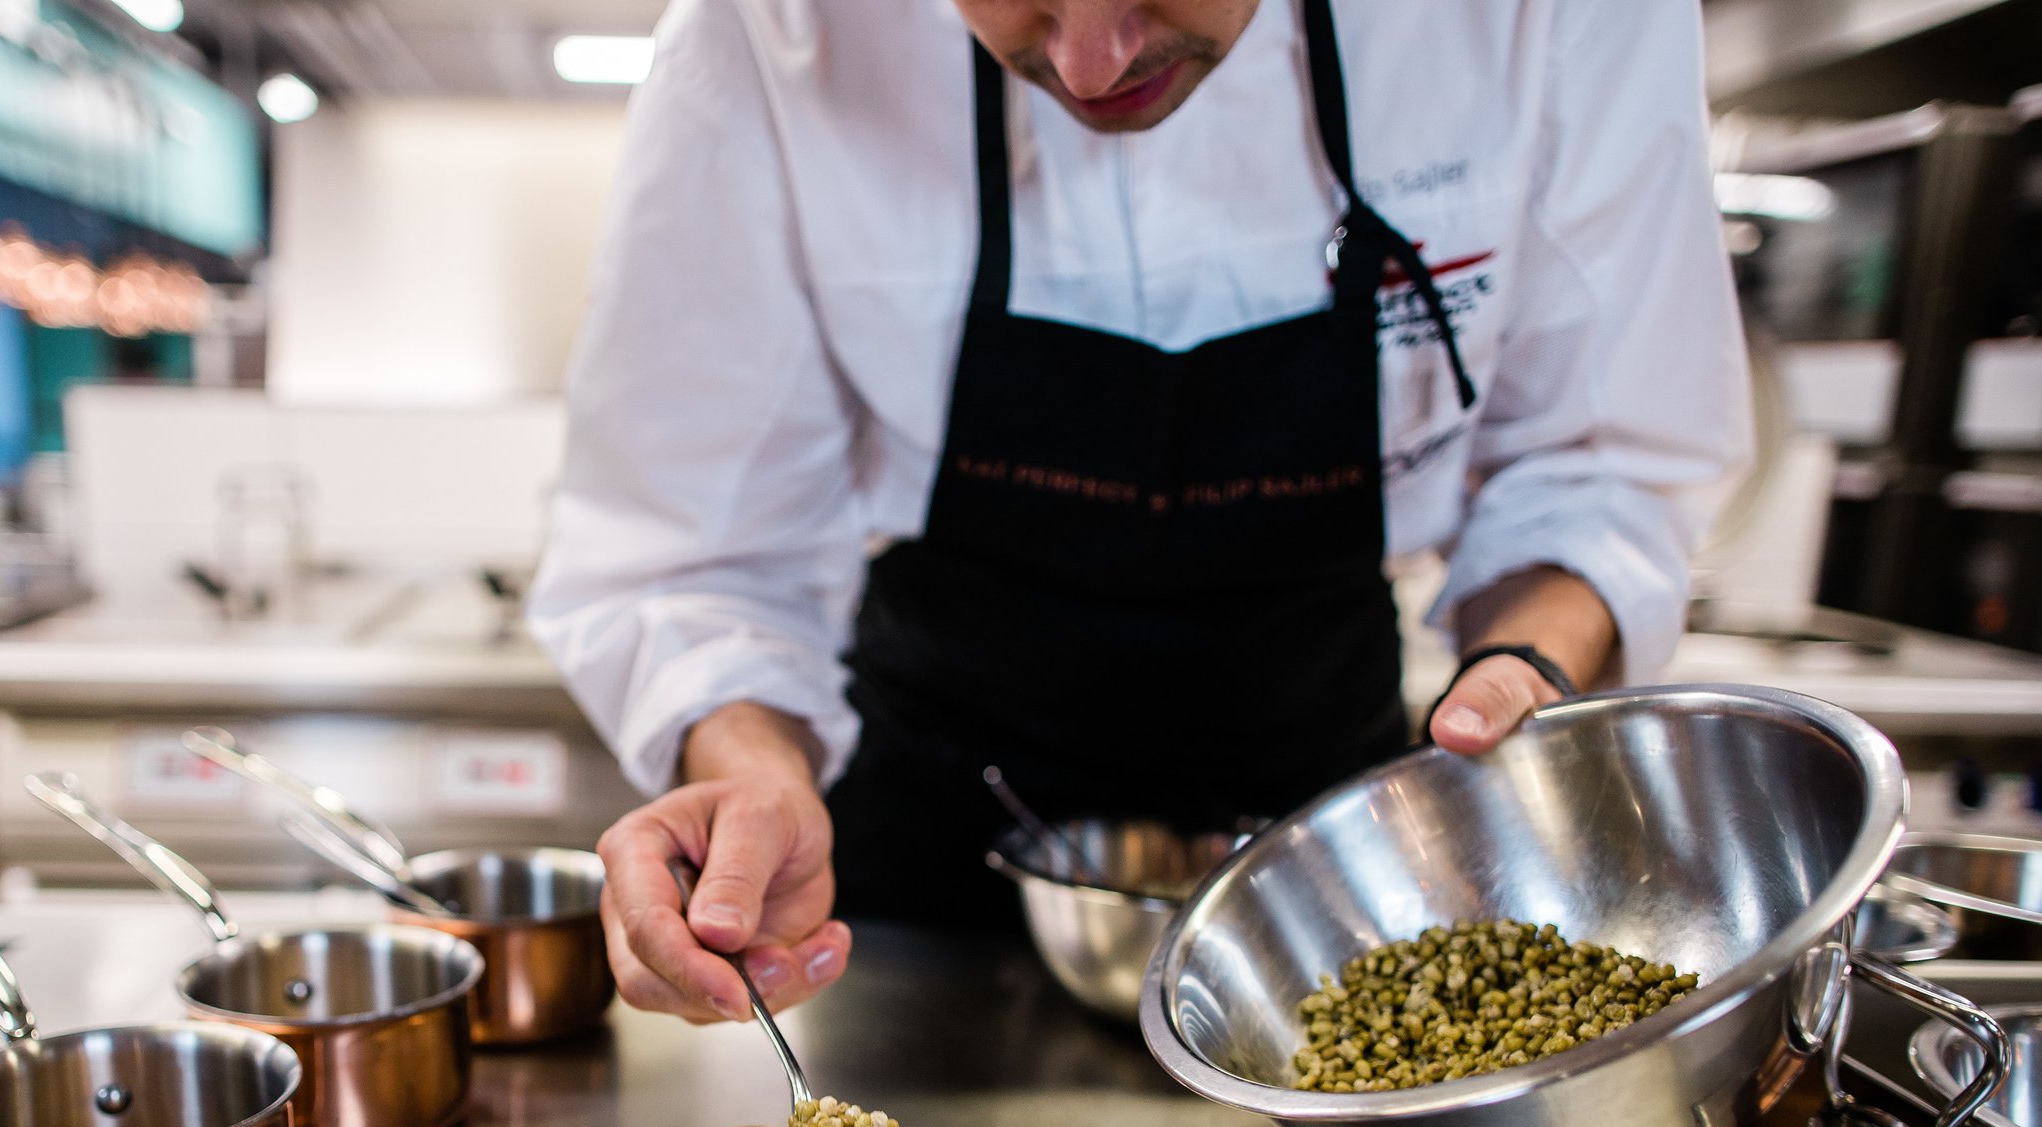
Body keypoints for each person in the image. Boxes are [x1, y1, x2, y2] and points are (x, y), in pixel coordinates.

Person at [529, 0, 1749, 1023]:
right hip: (922, 867)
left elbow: (1603, 466)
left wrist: (1525, 666)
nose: (1087, 63)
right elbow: (692, 546)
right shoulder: (773, 27)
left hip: (1334, 853)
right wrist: (748, 769)